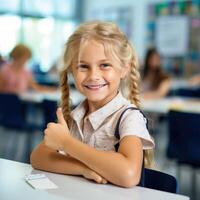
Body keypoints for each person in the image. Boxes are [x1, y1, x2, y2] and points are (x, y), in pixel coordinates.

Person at [30, 21, 154, 187]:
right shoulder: (75, 116)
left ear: (124, 69)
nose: (93, 75)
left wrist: (67, 143)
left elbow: (129, 174)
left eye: (104, 65)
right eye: (83, 66)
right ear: (72, 71)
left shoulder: (128, 117)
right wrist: (83, 169)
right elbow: (38, 158)